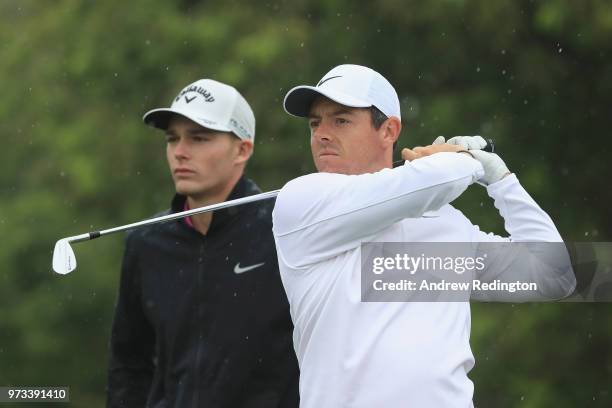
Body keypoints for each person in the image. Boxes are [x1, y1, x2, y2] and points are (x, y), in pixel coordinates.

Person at [272, 64, 575, 407]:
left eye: (340, 120)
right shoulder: (302, 202)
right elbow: (437, 180)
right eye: (315, 123)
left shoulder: (445, 223)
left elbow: (552, 275)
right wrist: (467, 159)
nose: (321, 134)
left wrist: (501, 179)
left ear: (389, 130)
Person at [106, 79, 299, 408]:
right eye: (172, 139)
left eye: (198, 138)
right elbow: (129, 365)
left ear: (242, 149)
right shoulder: (146, 241)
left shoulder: (284, 230)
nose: (180, 151)